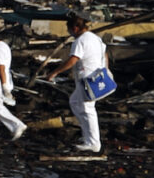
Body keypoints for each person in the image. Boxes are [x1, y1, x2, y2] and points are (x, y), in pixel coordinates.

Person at [42, 16, 108, 153]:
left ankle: (93, 143)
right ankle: (88, 137)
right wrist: (105, 70)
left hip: (87, 78)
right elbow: (105, 54)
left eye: (69, 29)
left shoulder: (80, 41)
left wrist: (54, 73)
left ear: (75, 28)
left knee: (87, 109)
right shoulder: (95, 38)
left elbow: (72, 60)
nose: (69, 32)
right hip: (95, 77)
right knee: (75, 102)